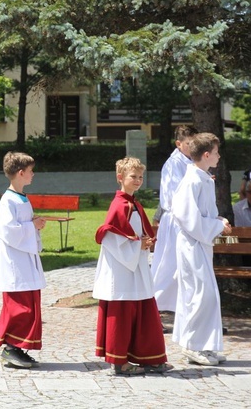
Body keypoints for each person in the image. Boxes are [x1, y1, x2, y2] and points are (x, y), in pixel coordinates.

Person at [93, 157, 172, 375]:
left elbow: (134, 234)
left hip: (135, 266)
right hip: (121, 271)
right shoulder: (120, 205)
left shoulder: (133, 204)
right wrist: (139, 245)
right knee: (123, 312)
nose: (138, 180)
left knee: (144, 310)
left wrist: (142, 243)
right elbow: (110, 237)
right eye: (133, 177)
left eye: (140, 177)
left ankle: (150, 358)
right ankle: (120, 362)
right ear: (120, 178)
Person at [172, 132, 230, 366]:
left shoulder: (203, 178)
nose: (218, 156)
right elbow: (188, 217)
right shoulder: (193, 180)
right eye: (216, 152)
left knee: (206, 295)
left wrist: (218, 220)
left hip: (199, 244)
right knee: (199, 295)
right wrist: (217, 225)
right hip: (191, 245)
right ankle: (193, 346)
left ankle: (204, 344)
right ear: (206, 155)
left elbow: (202, 214)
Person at [0, 152, 46, 369]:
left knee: (29, 305)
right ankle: (11, 348)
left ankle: (19, 347)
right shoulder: (8, 200)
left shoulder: (22, 198)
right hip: (15, 263)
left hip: (26, 260)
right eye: (31, 171)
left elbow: (22, 226)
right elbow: (8, 231)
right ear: (21, 173)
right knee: (19, 307)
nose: (33, 175)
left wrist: (34, 223)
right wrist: (32, 226)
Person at [151, 125, 197, 316]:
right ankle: (151, 309)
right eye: (189, 143)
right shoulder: (173, 164)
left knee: (184, 269)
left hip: (188, 220)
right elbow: (175, 196)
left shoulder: (190, 161)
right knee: (167, 269)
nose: (192, 147)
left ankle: (184, 310)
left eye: (195, 143)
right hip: (176, 220)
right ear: (179, 144)